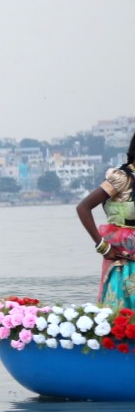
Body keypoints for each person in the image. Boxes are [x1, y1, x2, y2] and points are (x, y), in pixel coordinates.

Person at [76, 132, 135, 311]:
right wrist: (103, 247)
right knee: (122, 314)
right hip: (122, 258)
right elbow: (83, 208)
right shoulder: (122, 178)